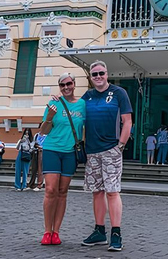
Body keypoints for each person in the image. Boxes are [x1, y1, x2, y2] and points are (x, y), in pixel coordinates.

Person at [81, 60, 132, 252]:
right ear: (91, 77)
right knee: (97, 191)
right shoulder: (87, 96)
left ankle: (116, 233)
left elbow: (127, 121)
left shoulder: (119, 93)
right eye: (94, 74)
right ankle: (99, 230)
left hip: (112, 149)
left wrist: (121, 145)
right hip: (92, 151)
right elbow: (74, 114)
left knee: (112, 191)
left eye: (101, 73)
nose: (98, 77)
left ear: (107, 74)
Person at [38, 73, 86, 246]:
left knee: (62, 191)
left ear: (74, 84)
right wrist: (50, 117)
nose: (66, 87)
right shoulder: (53, 103)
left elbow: (85, 128)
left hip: (70, 153)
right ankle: (47, 231)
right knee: (50, 190)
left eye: (68, 84)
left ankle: (56, 232)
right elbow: (43, 131)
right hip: (52, 149)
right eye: (62, 85)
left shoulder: (82, 105)